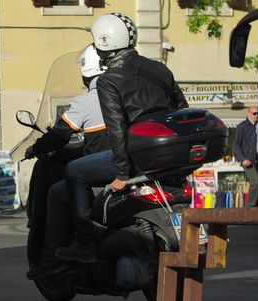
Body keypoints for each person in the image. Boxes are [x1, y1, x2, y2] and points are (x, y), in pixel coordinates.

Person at [55, 13, 187, 263]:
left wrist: (122, 175)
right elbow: (181, 109)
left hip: (135, 156)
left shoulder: (108, 80)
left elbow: (116, 129)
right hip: (163, 155)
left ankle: (85, 243)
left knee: (73, 170)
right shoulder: (160, 68)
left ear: (104, 42)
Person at [25, 44, 111, 278]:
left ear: (86, 72)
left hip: (107, 170)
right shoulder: (126, 91)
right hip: (137, 164)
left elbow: (59, 134)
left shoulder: (90, 99)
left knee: (58, 192)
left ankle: (53, 258)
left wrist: (35, 148)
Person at [233, 105, 258, 207]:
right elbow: (236, 145)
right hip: (248, 160)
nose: (256, 115)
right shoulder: (242, 127)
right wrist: (243, 159)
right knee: (255, 182)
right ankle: (249, 206)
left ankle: (257, 206)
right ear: (248, 114)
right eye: (254, 113)